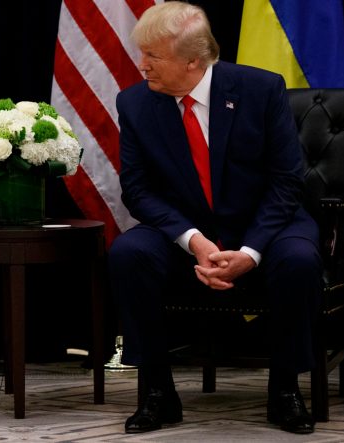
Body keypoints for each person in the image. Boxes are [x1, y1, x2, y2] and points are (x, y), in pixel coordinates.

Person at [108, 1, 320, 436]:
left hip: (266, 226)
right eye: (142, 54)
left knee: (299, 260)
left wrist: (249, 252)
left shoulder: (261, 90)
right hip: (186, 231)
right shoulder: (134, 103)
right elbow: (138, 190)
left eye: (154, 57)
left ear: (193, 61)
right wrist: (195, 242)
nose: (142, 65)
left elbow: (286, 182)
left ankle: (284, 390)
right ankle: (157, 393)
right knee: (128, 252)